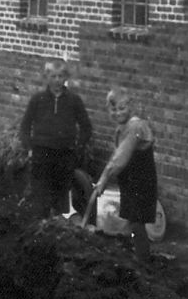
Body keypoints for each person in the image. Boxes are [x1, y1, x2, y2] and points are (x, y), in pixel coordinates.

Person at [19, 58, 93, 217]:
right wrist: (30, 148)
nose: (57, 80)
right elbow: (24, 127)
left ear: (65, 77)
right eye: (53, 76)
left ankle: (56, 230)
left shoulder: (74, 100)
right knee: (40, 199)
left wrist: (77, 148)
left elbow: (86, 128)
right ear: (46, 77)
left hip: (64, 156)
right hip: (41, 155)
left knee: (59, 200)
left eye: (60, 76)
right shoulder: (37, 100)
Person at [91, 88, 158, 261]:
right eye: (113, 109)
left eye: (122, 108)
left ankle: (142, 262)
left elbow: (119, 160)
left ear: (131, 107)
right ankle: (131, 258)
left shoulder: (135, 126)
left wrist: (103, 180)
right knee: (132, 222)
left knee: (136, 223)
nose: (118, 113)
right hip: (131, 183)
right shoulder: (123, 128)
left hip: (141, 183)